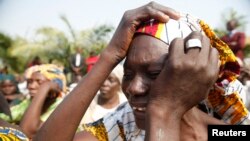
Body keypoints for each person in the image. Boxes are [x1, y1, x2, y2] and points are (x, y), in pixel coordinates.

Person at [33, 2, 248, 141]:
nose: (133, 88)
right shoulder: (120, 127)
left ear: (198, 76)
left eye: (154, 74)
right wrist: (109, 56)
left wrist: (164, 111)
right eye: (127, 74)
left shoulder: (225, 132)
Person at [18, 64, 68, 139]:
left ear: (55, 87)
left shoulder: (63, 107)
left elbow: (26, 132)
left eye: (39, 82)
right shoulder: (28, 103)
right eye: (30, 82)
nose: (31, 86)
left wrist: (45, 87)